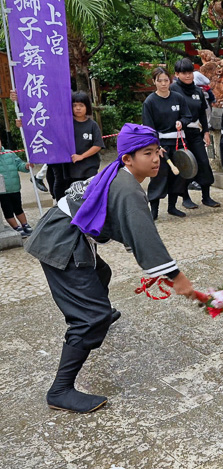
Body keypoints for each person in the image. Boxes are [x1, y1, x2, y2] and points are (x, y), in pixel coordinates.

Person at [25, 123, 197, 414]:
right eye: (147, 153)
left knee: (101, 273)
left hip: (62, 230)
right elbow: (144, 236)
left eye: (157, 152)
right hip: (60, 241)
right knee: (91, 318)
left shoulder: (118, 174)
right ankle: (60, 390)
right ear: (127, 158)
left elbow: (124, 225)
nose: (155, 159)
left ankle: (98, 311)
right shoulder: (128, 187)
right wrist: (176, 277)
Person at [10, 90, 104, 200]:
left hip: (86, 167)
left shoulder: (91, 124)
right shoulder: (63, 122)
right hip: (66, 165)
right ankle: (61, 209)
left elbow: (97, 144)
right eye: (75, 105)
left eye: (81, 105)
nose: (78, 108)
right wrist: (23, 118)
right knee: (63, 186)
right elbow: (41, 122)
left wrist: (82, 156)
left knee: (88, 194)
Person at [142, 67, 193, 219]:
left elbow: (187, 116)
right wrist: (156, 147)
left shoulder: (178, 98)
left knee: (178, 175)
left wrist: (181, 122)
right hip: (160, 144)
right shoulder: (150, 102)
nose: (164, 84)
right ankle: (154, 210)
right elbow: (148, 127)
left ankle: (172, 207)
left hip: (178, 142)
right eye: (160, 81)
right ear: (154, 82)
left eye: (166, 80)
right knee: (158, 175)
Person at [171, 58, 219, 209]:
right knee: (185, 164)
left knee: (203, 162)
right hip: (179, 133)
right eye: (184, 73)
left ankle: (206, 196)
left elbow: (203, 113)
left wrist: (205, 131)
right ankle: (185, 197)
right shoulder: (173, 90)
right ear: (177, 74)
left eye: (190, 72)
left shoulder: (198, 90)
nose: (188, 76)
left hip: (195, 131)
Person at [0, 144, 33, 236]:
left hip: (14, 187)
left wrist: (26, 166)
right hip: (2, 190)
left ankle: (25, 224)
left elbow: (19, 164)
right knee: (8, 210)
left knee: (18, 207)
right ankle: (16, 227)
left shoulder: (10, 153)